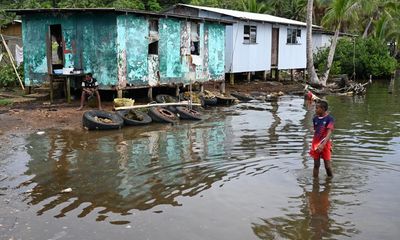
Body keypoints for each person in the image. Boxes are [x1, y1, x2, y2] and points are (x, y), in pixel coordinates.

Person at [309, 100, 334, 177]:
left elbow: (329, 132)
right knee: (316, 165)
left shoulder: (330, 119)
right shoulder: (315, 119)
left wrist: (323, 144)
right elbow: (316, 130)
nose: (315, 110)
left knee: (327, 166)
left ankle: (330, 181)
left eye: (317, 108)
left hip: (325, 144)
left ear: (323, 109)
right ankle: (315, 184)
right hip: (316, 144)